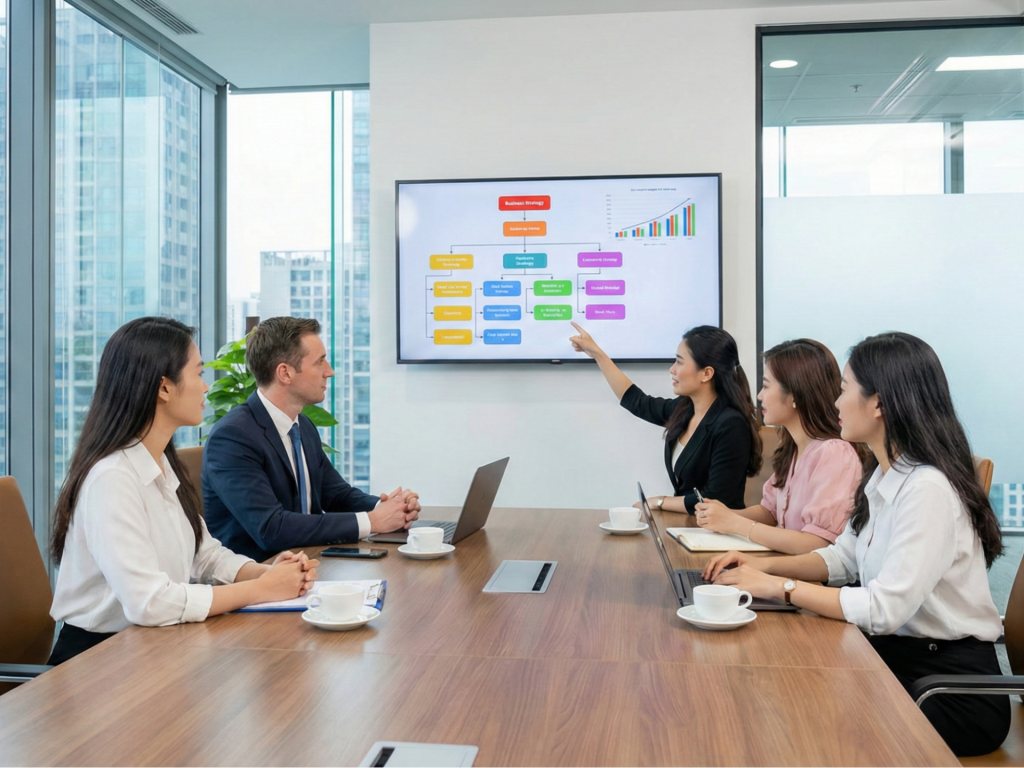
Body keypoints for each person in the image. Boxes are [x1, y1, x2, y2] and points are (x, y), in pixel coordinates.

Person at [703, 332, 1009, 757]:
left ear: (879, 404)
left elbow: (884, 609)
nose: (834, 403)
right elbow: (843, 558)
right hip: (895, 661)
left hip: (946, 689)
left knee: (793, 720)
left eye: (845, 390)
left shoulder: (928, 489)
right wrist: (764, 571)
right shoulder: (884, 475)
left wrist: (781, 589)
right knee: (778, 695)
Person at [48, 317, 317, 665]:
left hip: (153, 649)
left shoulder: (161, 463)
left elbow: (205, 555)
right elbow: (149, 603)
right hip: (97, 662)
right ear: (164, 387)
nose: (206, 387)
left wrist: (266, 573)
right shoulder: (112, 477)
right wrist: (259, 590)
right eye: (199, 373)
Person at [203, 316, 421, 562]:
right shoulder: (233, 437)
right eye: (320, 362)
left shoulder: (301, 425)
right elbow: (271, 529)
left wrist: (391, 507)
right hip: (259, 577)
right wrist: (372, 521)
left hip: (309, 561)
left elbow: (336, 495)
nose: (330, 371)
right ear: (285, 373)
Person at [569, 322, 761, 513]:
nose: (672, 369)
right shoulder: (684, 409)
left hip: (717, 534)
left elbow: (714, 498)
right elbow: (637, 402)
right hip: (688, 527)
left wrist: (658, 502)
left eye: (679, 362)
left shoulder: (731, 425)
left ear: (706, 373)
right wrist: (597, 354)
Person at [694, 339, 863, 554]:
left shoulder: (834, 453)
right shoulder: (792, 445)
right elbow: (770, 511)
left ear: (794, 395)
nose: (759, 396)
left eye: (766, 386)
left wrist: (737, 524)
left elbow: (818, 543)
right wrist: (723, 516)